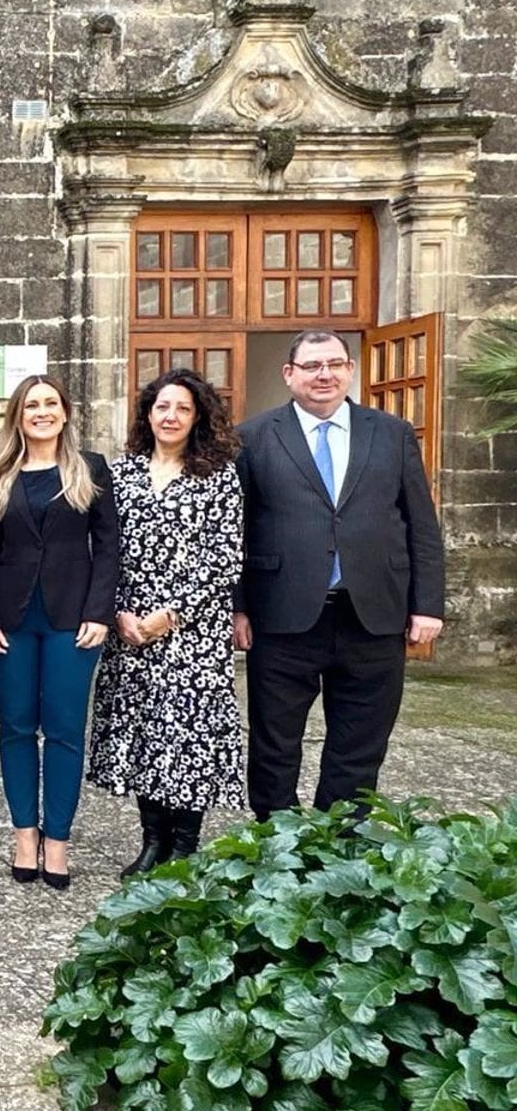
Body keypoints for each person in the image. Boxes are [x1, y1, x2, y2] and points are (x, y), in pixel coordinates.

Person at [233, 329, 444, 818]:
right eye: (311, 366)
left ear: (350, 369)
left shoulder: (391, 433)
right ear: (290, 375)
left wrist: (427, 603)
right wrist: (237, 606)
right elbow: (234, 530)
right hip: (283, 615)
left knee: (360, 741)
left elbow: (420, 523)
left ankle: (341, 845)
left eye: (334, 364)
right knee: (274, 742)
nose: (324, 375)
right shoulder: (253, 437)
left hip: (373, 613)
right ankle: (275, 843)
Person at [88, 370, 245, 871]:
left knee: (188, 738)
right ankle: (152, 842)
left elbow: (224, 557)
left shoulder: (218, 475)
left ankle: (183, 850)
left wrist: (170, 615)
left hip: (190, 633)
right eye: (161, 407)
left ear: (197, 416)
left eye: (181, 407)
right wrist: (118, 612)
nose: (170, 416)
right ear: (147, 415)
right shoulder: (122, 472)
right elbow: (103, 547)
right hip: (129, 629)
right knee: (144, 737)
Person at [0, 374, 117, 889]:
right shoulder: (1, 474)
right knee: (15, 728)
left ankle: (58, 840)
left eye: (50, 403)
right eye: (31, 404)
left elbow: (109, 548)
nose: (42, 412)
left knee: (62, 731)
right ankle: (24, 836)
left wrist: (99, 613)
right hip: (11, 622)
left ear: (65, 411)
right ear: (17, 415)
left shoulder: (89, 469)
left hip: (70, 620)